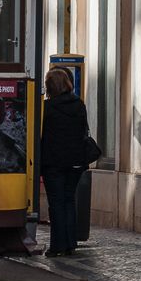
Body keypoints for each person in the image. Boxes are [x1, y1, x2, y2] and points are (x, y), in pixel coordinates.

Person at [40, 66, 89, 256]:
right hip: (75, 162)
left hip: (54, 163)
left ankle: (57, 245)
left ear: (50, 87)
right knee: (69, 200)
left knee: (57, 203)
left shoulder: (47, 108)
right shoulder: (79, 105)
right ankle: (70, 243)